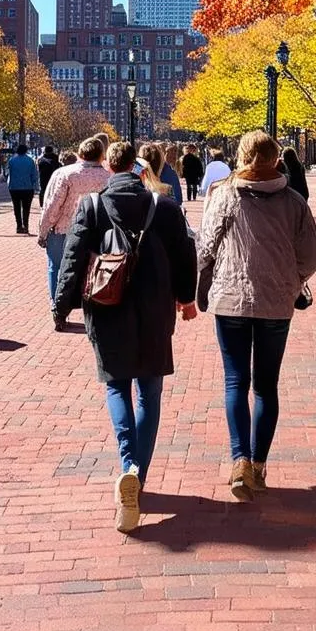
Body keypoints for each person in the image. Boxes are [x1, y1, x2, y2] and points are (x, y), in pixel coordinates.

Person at [54, 141, 198, 533]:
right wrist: (187, 298)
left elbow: (72, 257)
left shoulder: (93, 206)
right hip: (154, 309)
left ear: (107, 166)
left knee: (117, 386)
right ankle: (140, 475)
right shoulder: (163, 206)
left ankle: (127, 465)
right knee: (149, 392)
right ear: (136, 168)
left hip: (107, 306)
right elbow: (185, 255)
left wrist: (61, 305)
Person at [197, 130, 316, 501]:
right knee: (266, 385)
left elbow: (205, 247)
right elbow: (312, 256)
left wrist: (200, 286)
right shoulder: (294, 201)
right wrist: (293, 279)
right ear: (275, 160)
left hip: (230, 299)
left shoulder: (224, 196)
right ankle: (259, 465)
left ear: (241, 156)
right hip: (276, 304)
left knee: (236, 381)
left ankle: (240, 460)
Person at [37, 136, 111, 319]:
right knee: (93, 268)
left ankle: (58, 308)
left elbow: (52, 205)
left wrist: (43, 230)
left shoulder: (65, 174)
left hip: (63, 228)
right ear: (101, 155)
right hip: (95, 231)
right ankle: (94, 309)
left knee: (57, 268)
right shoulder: (109, 177)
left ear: (80, 153)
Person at [5, 143, 39, 234]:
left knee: (16, 207)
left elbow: (7, 172)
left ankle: (19, 226)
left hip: (14, 187)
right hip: (27, 187)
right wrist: (34, 186)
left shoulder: (12, 160)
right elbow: (34, 175)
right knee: (26, 208)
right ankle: (26, 225)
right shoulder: (30, 161)